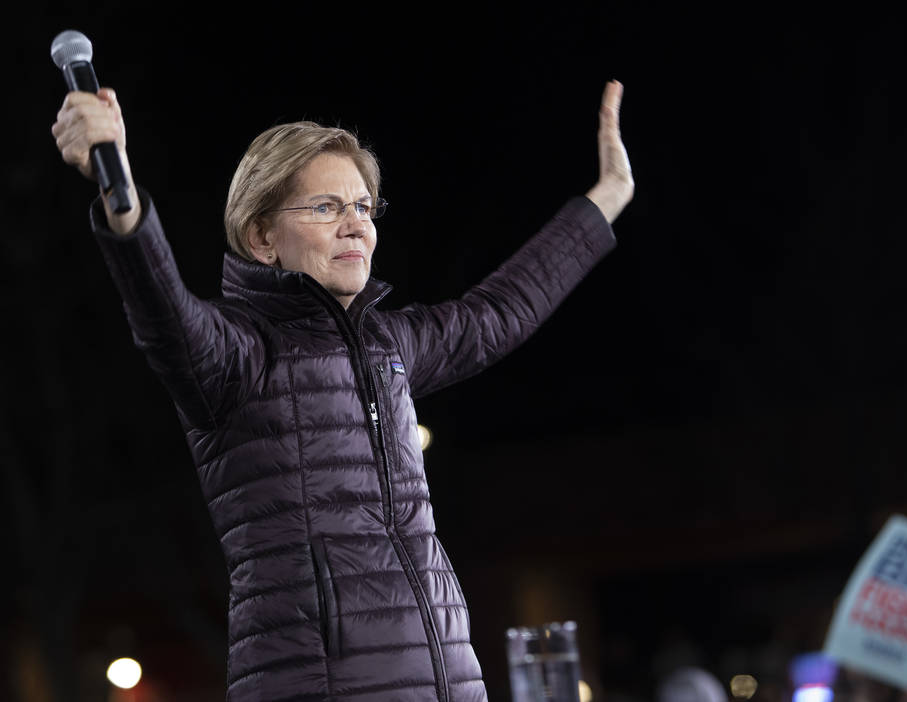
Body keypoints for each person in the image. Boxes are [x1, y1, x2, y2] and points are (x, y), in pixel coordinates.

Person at [51, 79, 632, 701]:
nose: (355, 225)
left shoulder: (391, 346)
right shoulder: (234, 353)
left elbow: (502, 310)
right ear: (262, 238)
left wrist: (609, 196)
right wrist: (120, 190)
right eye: (326, 208)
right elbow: (161, 309)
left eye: (363, 206)